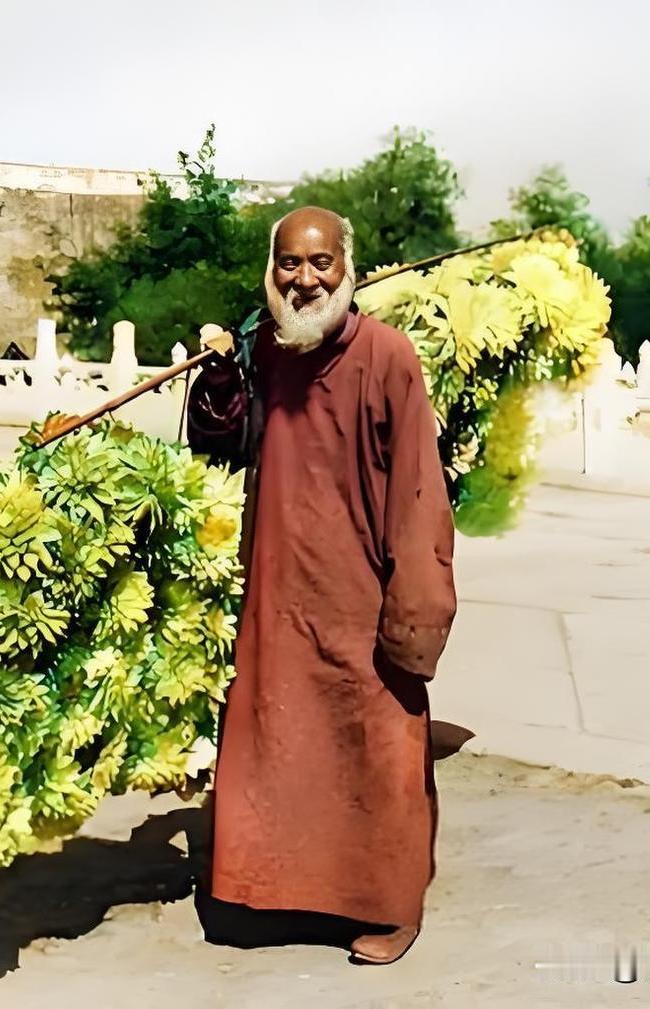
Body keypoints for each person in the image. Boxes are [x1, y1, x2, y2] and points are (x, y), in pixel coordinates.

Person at [186, 206, 457, 965]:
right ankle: (274, 886)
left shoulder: (387, 357)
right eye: (289, 264)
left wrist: (416, 607)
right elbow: (219, 447)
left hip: (361, 591)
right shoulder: (264, 353)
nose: (304, 280)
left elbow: (418, 496)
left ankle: (389, 904)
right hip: (278, 588)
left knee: (375, 747)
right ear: (270, 272)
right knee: (279, 740)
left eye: (321, 263)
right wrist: (214, 376)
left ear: (349, 268)